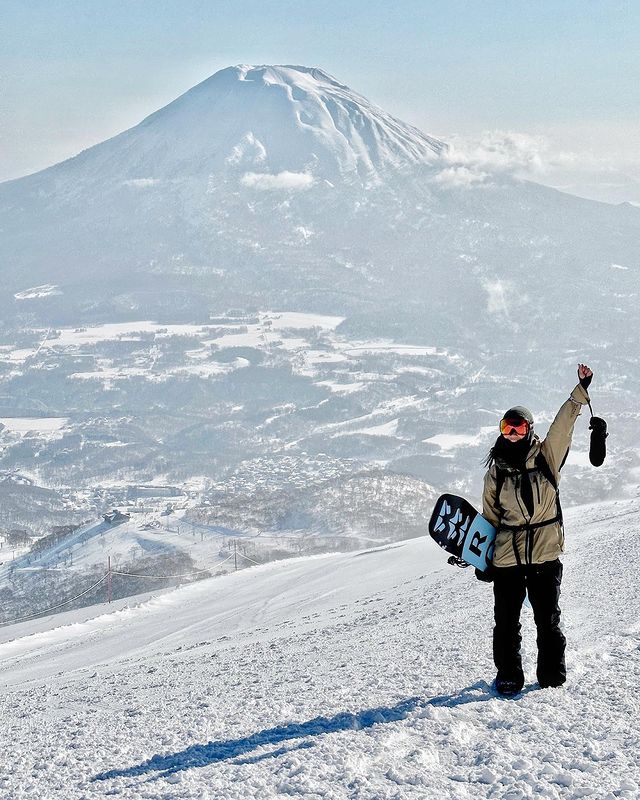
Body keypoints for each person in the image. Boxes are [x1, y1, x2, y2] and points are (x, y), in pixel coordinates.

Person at [481, 364, 593, 696]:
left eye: (518, 428)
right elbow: (489, 518)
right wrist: (481, 559)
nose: (512, 434)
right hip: (507, 560)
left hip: (545, 554)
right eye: (506, 428)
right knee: (506, 624)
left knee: (547, 620)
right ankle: (509, 674)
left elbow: (563, 426)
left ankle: (551, 673)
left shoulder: (546, 457)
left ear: (530, 429)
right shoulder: (496, 473)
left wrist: (580, 391)